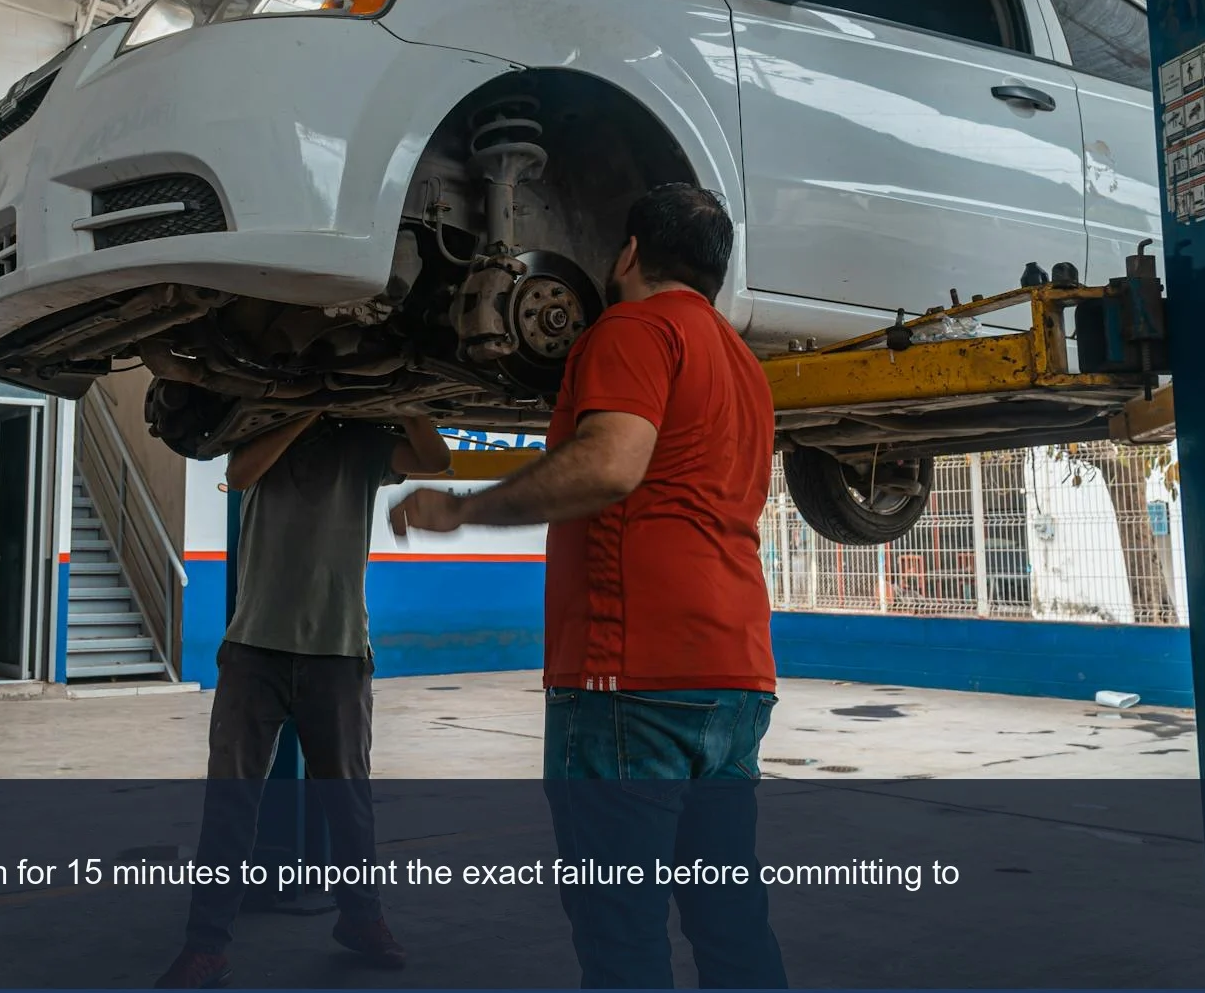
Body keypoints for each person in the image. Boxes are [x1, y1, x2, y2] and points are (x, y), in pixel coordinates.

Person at [389, 184, 785, 989]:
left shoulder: (633, 326)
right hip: (733, 678)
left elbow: (609, 464)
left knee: (621, 934)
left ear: (631, 252)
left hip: (629, 679)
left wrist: (463, 508)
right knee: (729, 918)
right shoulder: (744, 364)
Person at [155, 412, 452, 990]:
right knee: (230, 805)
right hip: (253, 651)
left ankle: (362, 920)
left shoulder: (366, 445)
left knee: (348, 802)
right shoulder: (259, 430)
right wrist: (305, 410)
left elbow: (437, 460)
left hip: (337, 650)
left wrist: (411, 404)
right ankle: (206, 946)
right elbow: (240, 475)